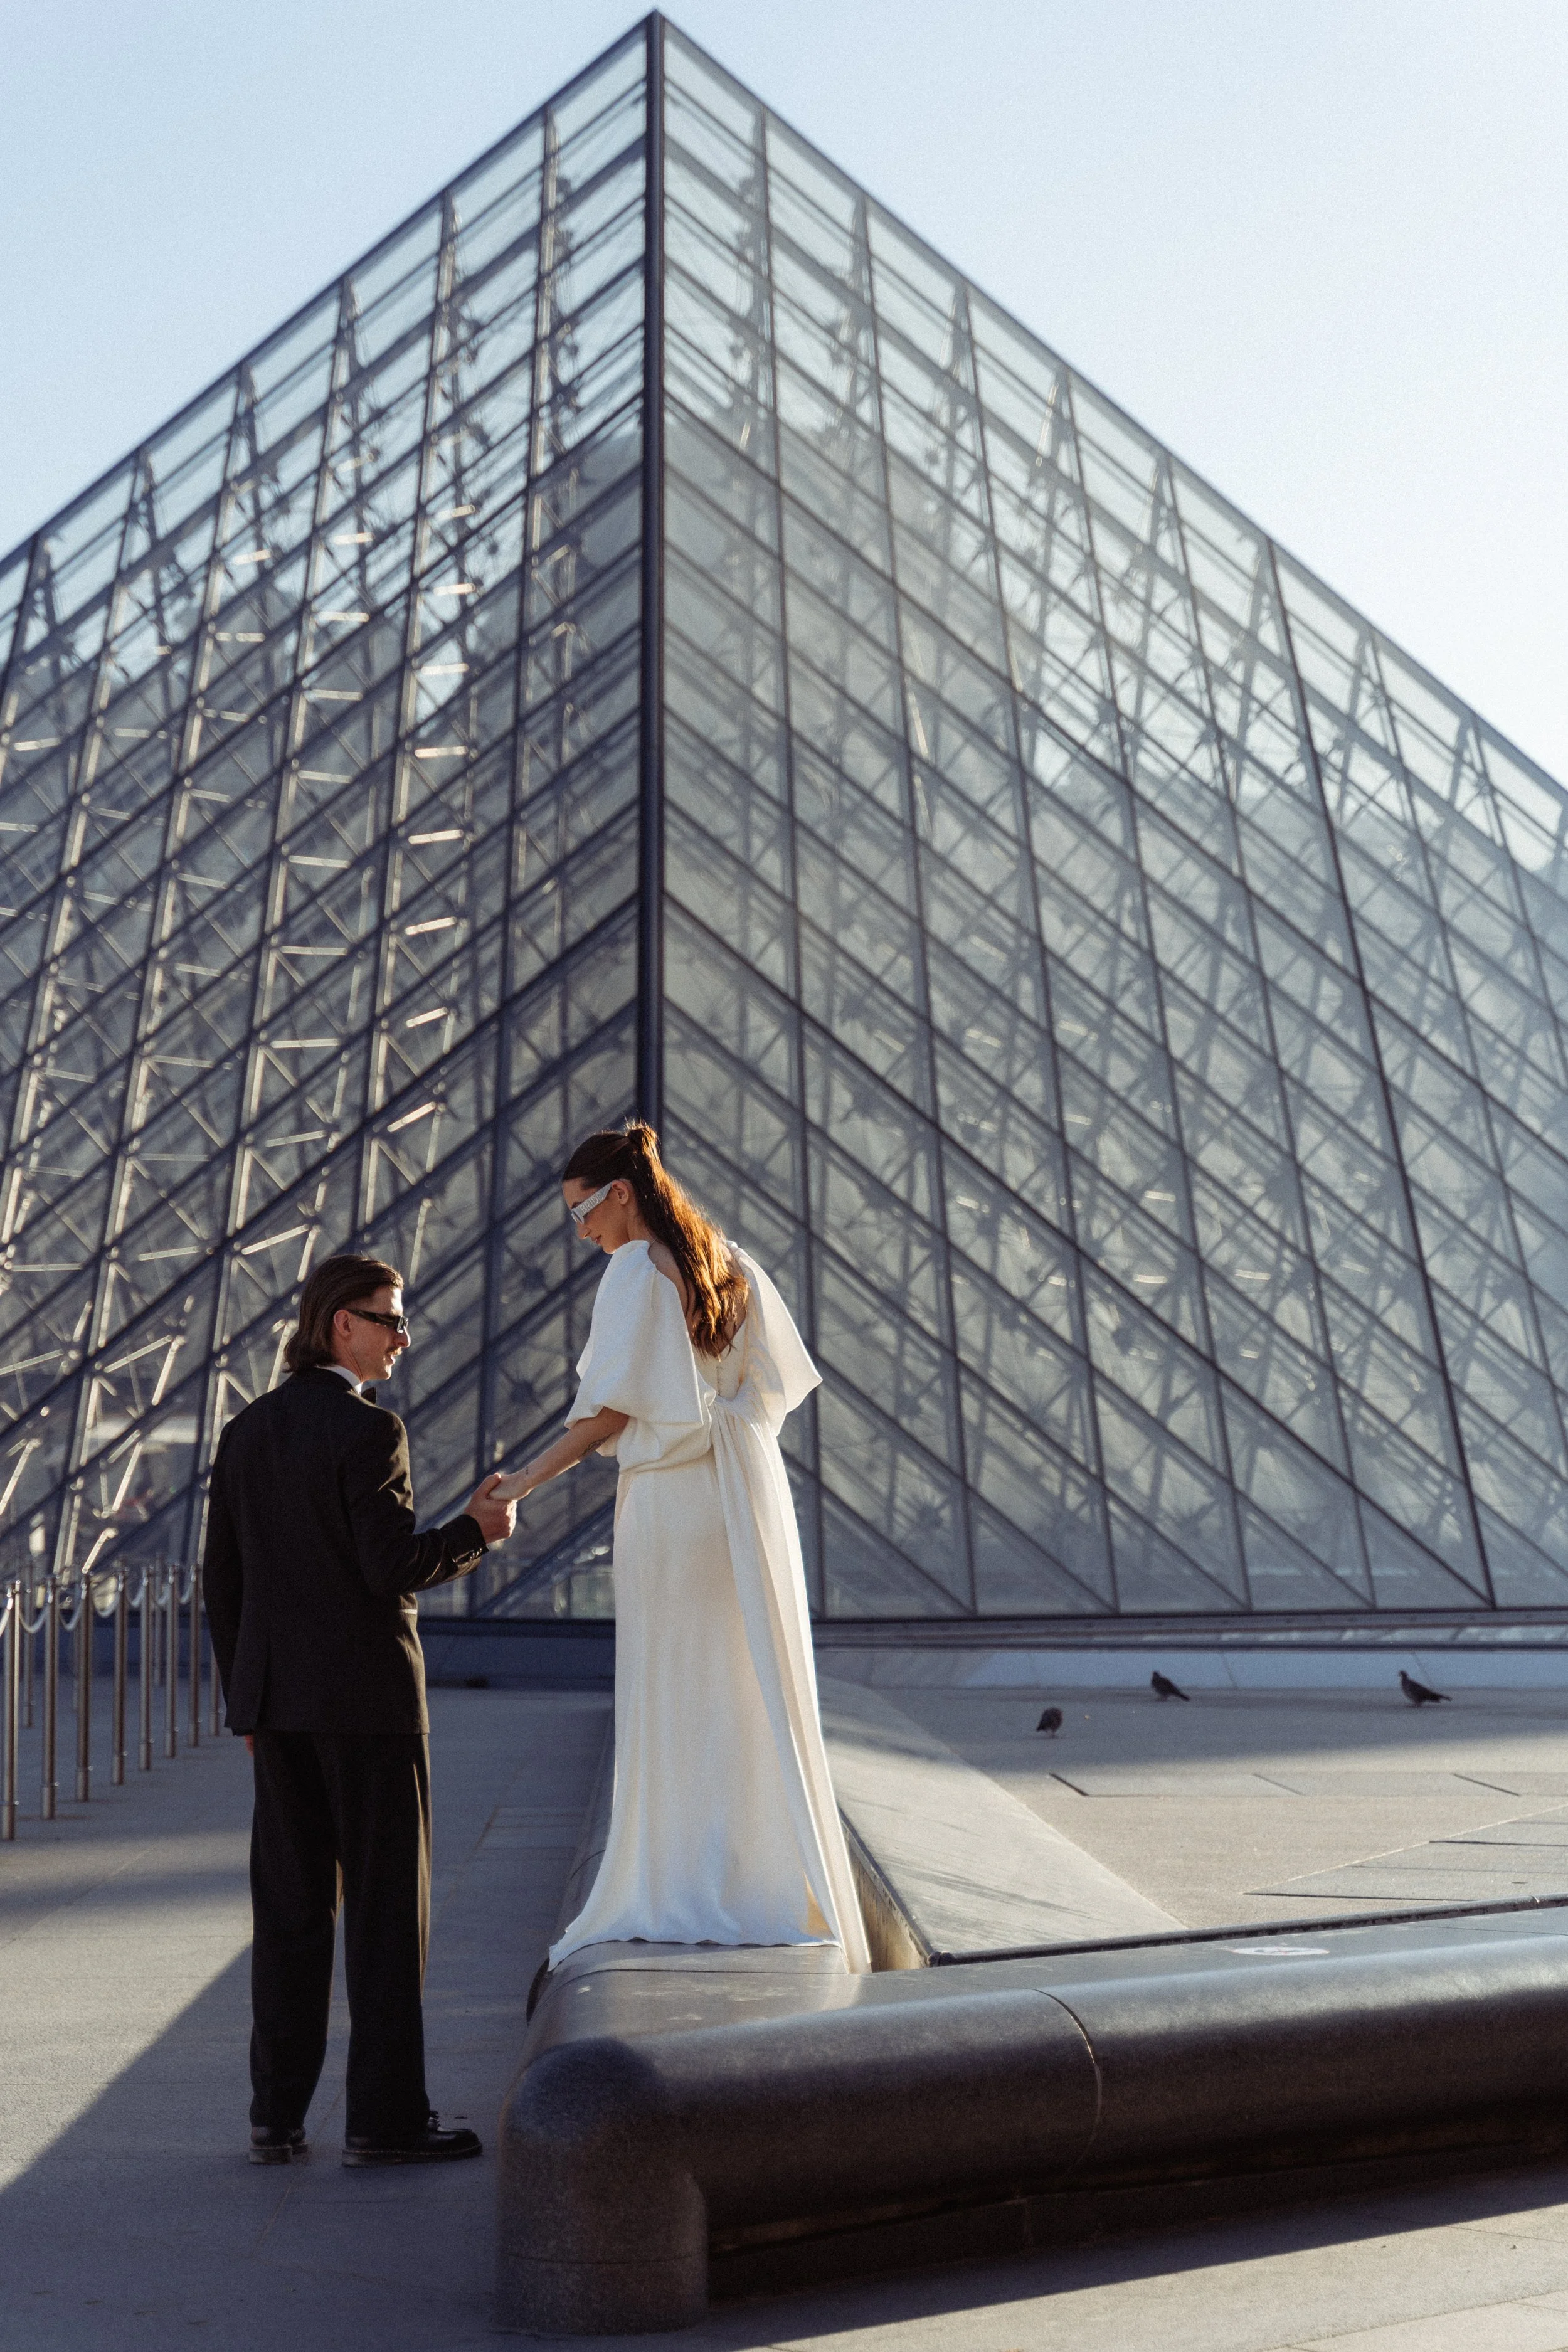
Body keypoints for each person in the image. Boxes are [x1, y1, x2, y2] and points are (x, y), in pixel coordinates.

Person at [494, 1122, 870, 1974]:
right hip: (741, 1492)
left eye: (583, 1210)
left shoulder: (634, 1269)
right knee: (742, 1689)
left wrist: (524, 1480)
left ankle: (683, 1878)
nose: (581, 1230)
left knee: (676, 1686)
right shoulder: (725, 1259)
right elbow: (775, 1386)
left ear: (620, 1192)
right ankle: (754, 1877)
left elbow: (611, 1414)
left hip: (671, 1501)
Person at [203, 1252, 517, 2168]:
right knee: (385, 1915)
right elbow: (391, 1567)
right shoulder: (369, 1431)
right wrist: (475, 1534)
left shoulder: (248, 1431)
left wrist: (246, 1700)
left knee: (292, 1914)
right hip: (372, 1710)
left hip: (281, 1711)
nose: (402, 1336)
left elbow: (223, 1582)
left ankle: (276, 2113)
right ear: (341, 1323)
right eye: (390, 1318)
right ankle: (383, 2119)